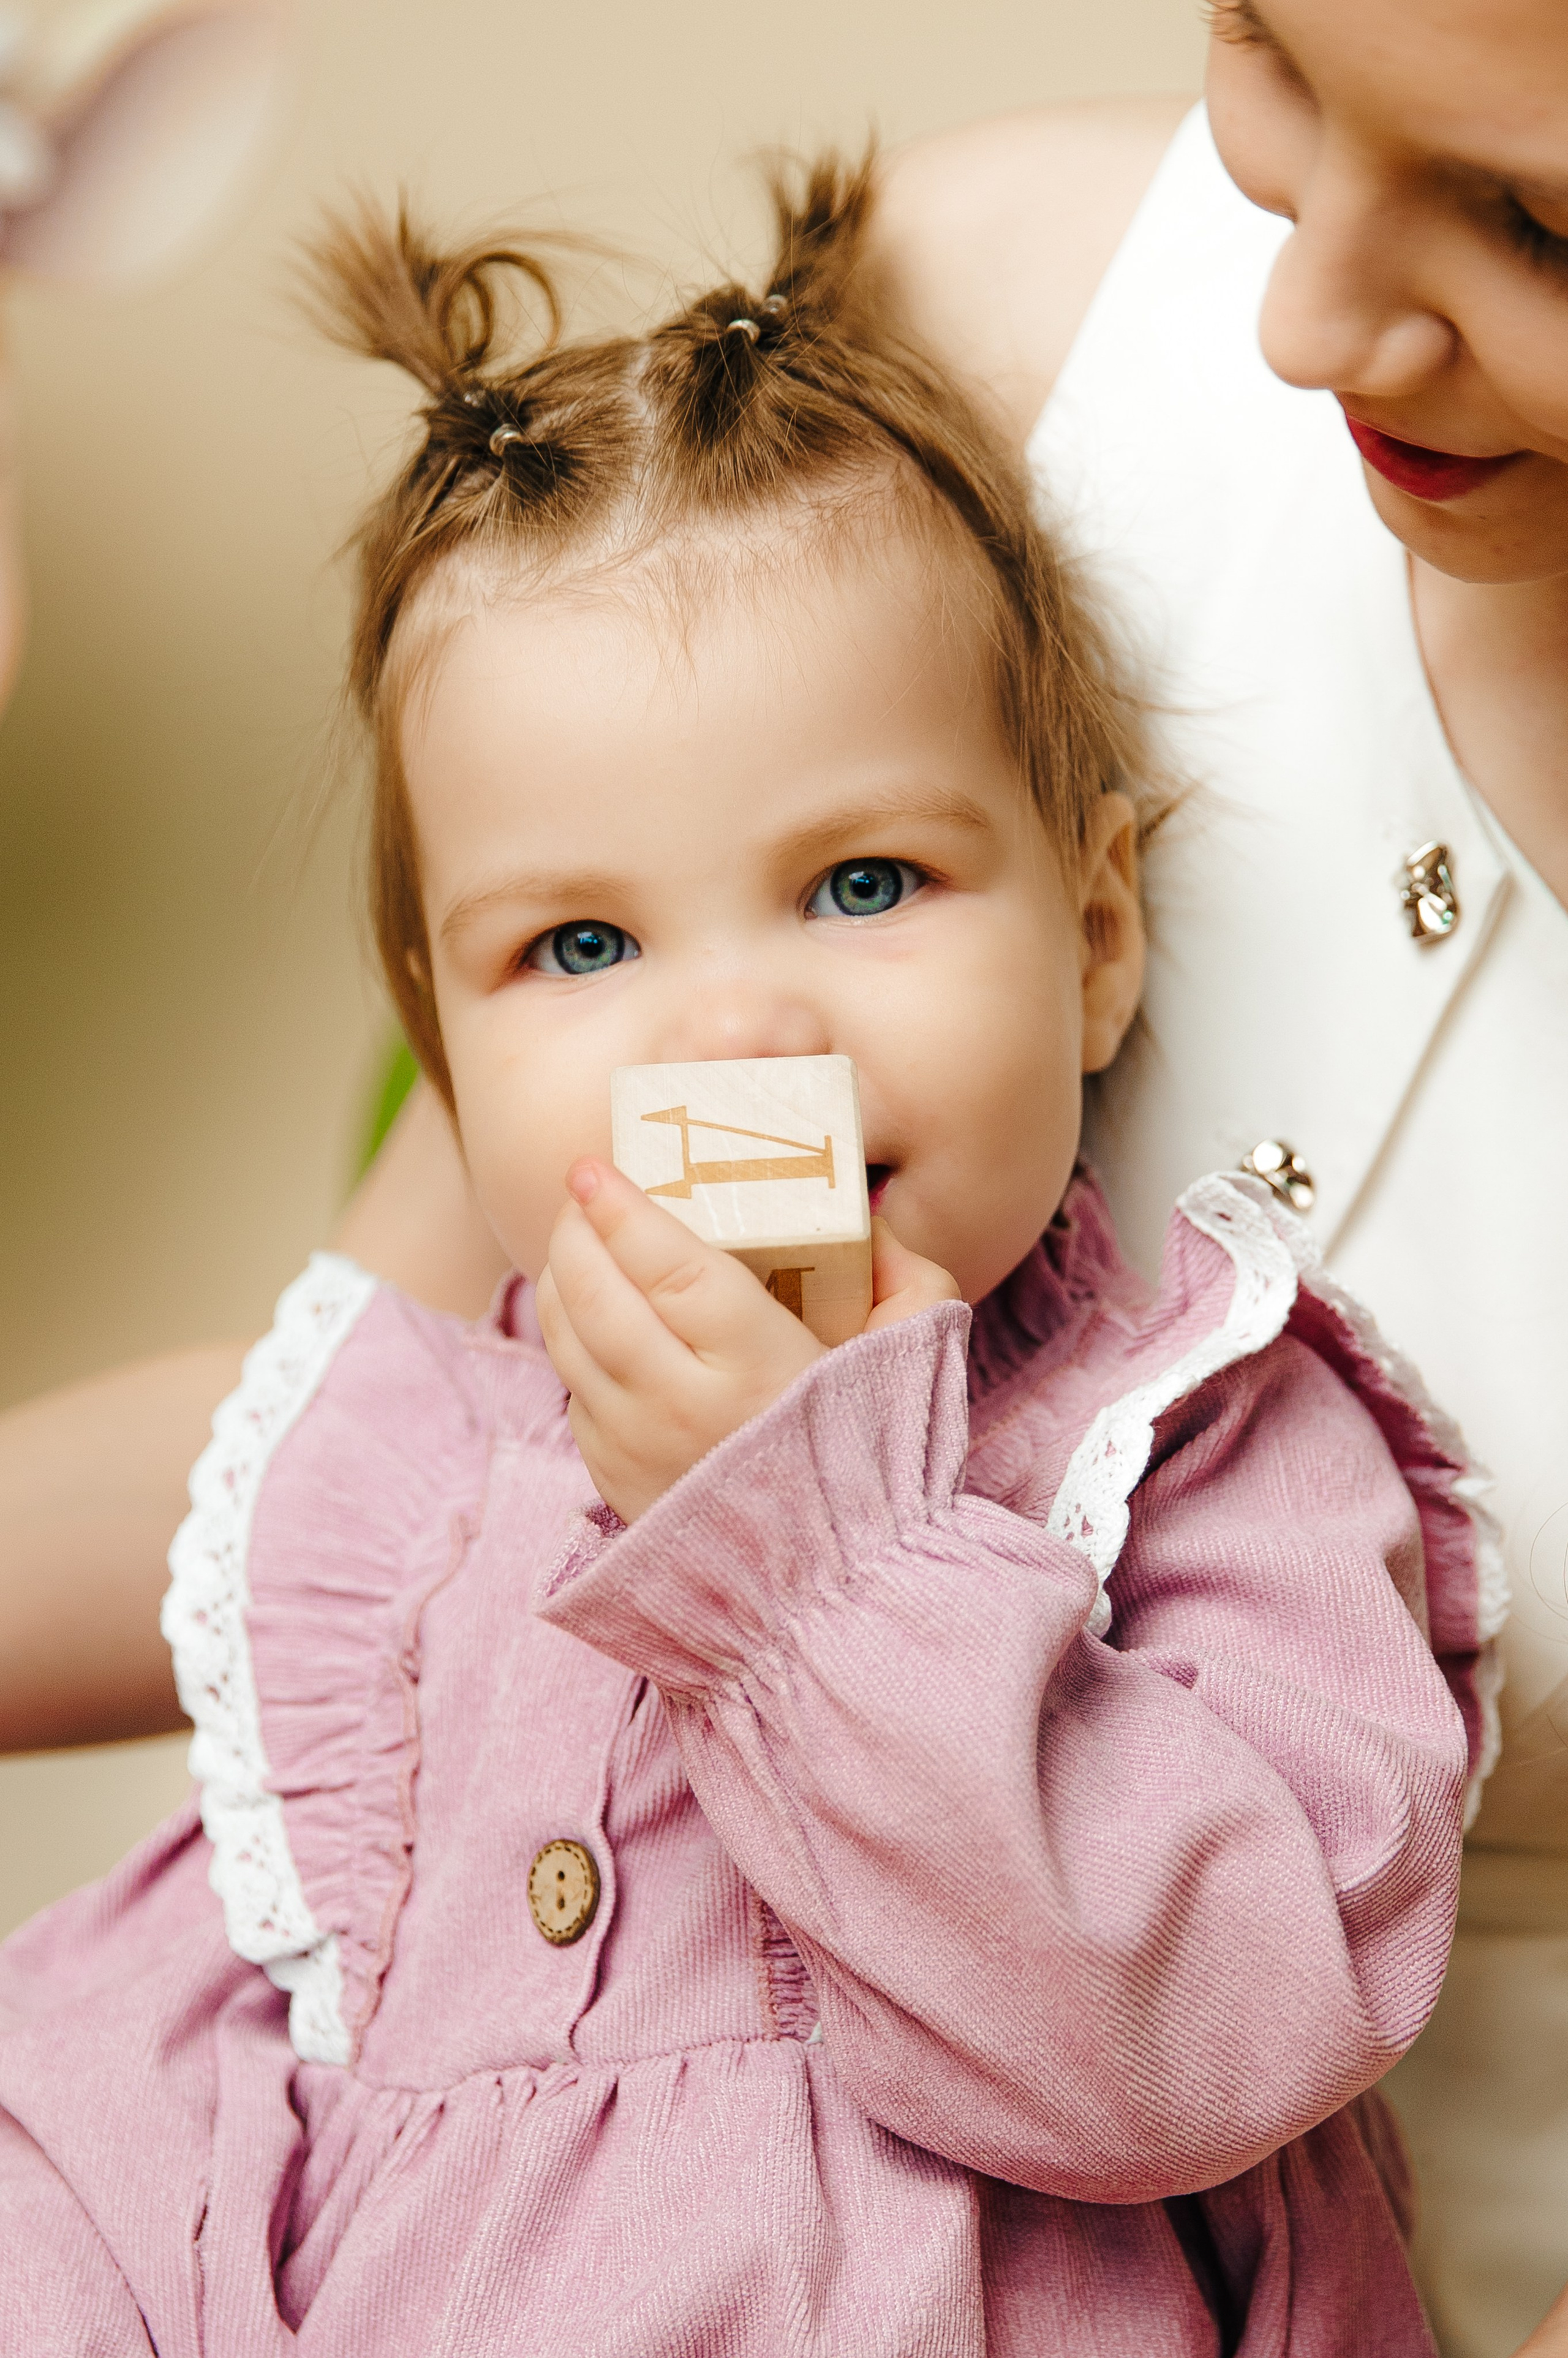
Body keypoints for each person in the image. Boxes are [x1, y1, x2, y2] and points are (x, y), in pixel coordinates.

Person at [0, 162, 1488, 2352]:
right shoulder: (409, 1487)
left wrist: (816, 1559)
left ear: (1093, 939)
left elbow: (1199, 2034)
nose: (734, 1031)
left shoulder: (1198, 1445)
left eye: (865, 884)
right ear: (446, 1046)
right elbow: (161, 2051)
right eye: (583, 944)